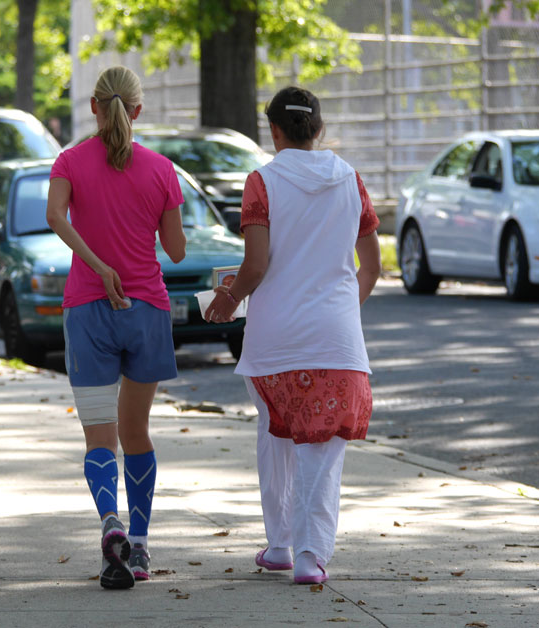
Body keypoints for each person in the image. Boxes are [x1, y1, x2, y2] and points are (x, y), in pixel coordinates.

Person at [205, 85, 381, 585]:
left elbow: (255, 265)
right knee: (321, 452)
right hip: (337, 344)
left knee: (275, 437)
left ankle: (280, 544)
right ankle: (312, 555)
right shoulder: (352, 181)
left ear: (274, 131)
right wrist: (343, 310)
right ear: (318, 129)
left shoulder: (262, 182)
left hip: (274, 343)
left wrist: (227, 299)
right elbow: (371, 266)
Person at [46, 66, 187, 590]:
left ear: (93, 107)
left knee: (100, 439)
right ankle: (142, 546)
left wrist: (97, 264)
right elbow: (175, 251)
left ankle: (112, 526)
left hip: (87, 308)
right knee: (137, 433)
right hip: (146, 310)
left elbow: (55, 216)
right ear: (138, 110)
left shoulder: (69, 161)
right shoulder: (162, 170)